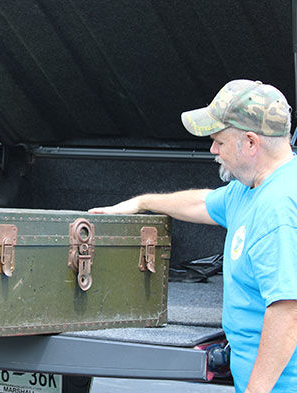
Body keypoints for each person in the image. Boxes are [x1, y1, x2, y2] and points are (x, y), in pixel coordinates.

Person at [90, 79, 297, 393]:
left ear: (251, 143)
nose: (213, 149)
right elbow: (202, 202)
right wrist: (142, 202)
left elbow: (287, 310)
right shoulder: (252, 189)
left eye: (220, 141)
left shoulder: (278, 208)